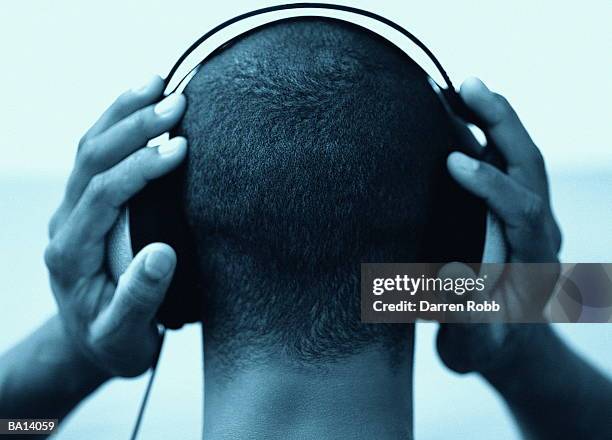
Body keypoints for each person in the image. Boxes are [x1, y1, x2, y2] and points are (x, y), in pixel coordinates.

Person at [1, 18, 611, 439]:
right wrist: (526, 341)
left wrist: (78, 352)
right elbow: (595, 298)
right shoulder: (450, 282)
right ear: (467, 246)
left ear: (147, 246)